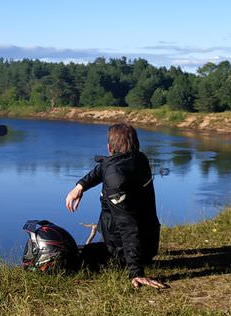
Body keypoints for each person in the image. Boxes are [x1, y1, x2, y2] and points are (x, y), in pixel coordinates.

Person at [65, 123, 165, 289]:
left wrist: (136, 271)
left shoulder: (116, 180)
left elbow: (128, 225)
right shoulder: (139, 159)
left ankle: (128, 264)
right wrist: (80, 186)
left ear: (109, 147)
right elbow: (103, 167)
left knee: (72, 258)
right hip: (148, 241)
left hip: (125, 249)